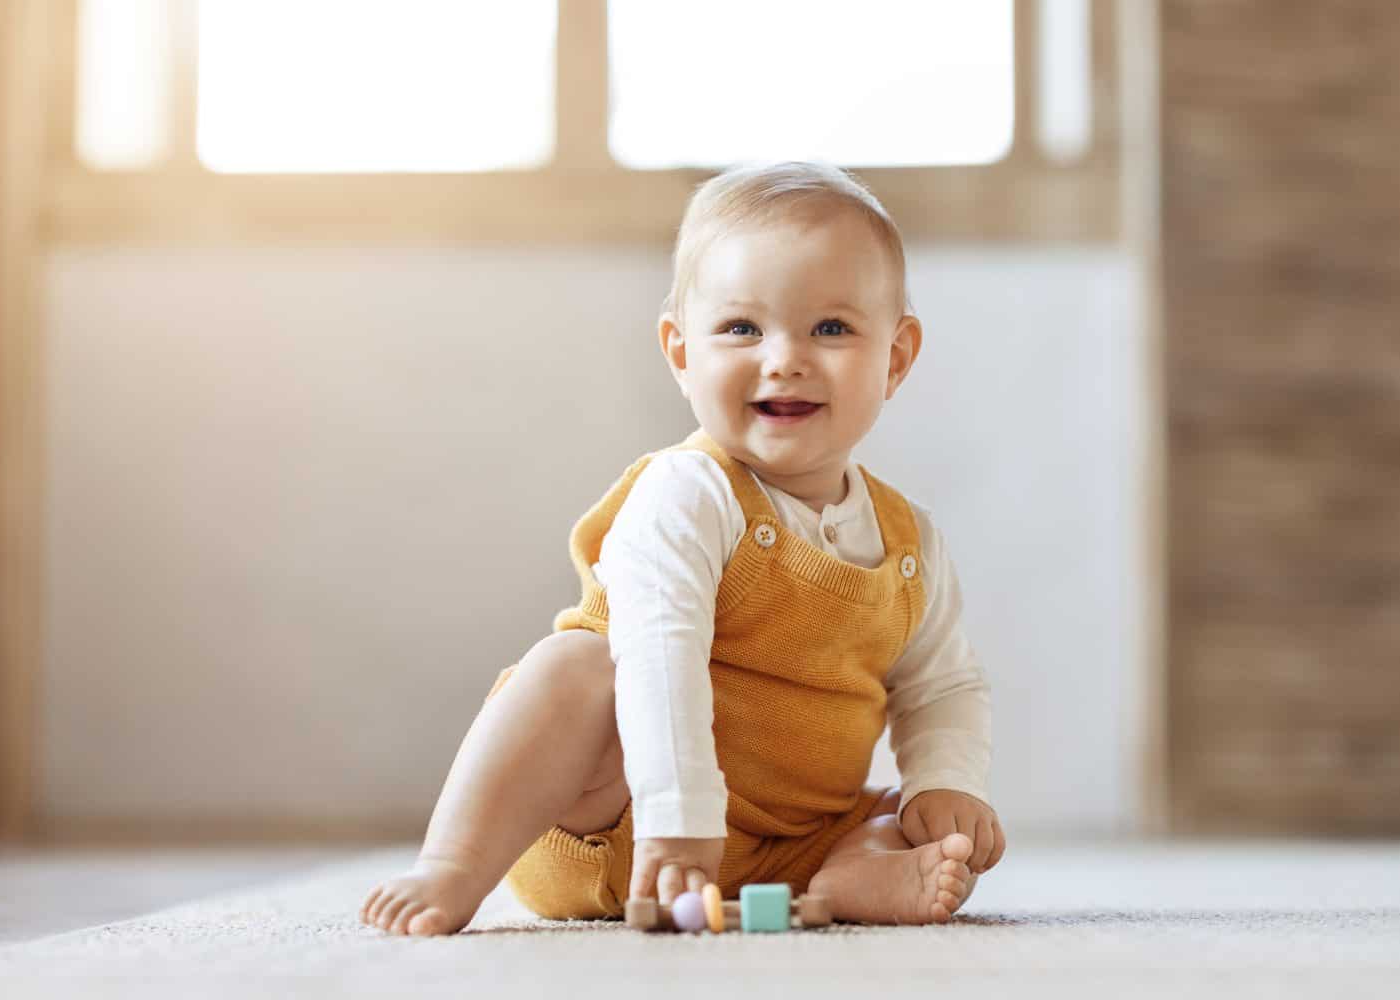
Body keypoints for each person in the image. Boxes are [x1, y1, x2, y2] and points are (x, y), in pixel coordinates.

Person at [361, 161, 1003, 936]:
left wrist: (945, 782)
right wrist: (676, 813)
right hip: (621, 818)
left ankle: (851, 878)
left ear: (896, 358)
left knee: (919, 824)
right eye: (741, 328)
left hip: (788, 844)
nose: (784, 358)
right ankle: (453, 864)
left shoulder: (910, 543)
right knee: (573, 667)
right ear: (680, 352)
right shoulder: (688, 493)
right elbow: (660, 651)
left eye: (830, 328)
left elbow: (943, 687)